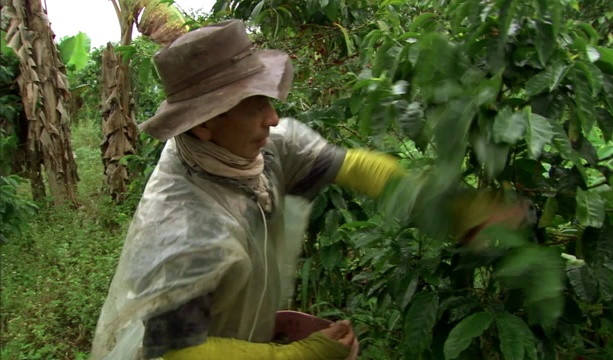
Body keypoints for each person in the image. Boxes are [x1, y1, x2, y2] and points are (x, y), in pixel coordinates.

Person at [91, 19, 407, 360]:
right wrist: (299, 355)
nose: (272, 118)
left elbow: (351, 166)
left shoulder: (250, 148)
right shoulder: (181, 226)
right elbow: (181, 352)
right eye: (255, 104)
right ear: (204, 123)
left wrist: (432, 198)